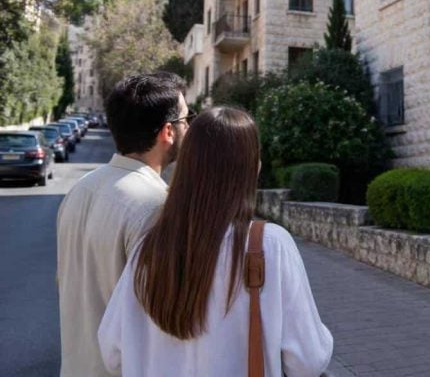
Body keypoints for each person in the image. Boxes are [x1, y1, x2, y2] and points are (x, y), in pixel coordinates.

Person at [98, 107, 333, 377]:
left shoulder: (149, 249)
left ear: (186, 167)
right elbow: (308, 360)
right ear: (251, 169)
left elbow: (112, 351)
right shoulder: (270, 246)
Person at [57, 72, 189, 377]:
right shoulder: (157, 206)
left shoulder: (80, 190)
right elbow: (164, 322)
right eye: (187, 118)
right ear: (167, 131)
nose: (190, 127)